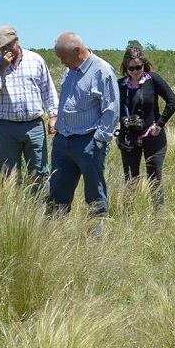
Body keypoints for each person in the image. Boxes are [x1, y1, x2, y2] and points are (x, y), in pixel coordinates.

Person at [48, 33, 120, 220]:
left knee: (94, 192)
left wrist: (98, 141)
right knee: (57, 191)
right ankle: (55, 235)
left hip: (89, 141)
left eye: (63, 57)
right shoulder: (70, 69)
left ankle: (96, 234)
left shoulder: (102, 70)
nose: (62, 62)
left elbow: (111, 109)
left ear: (77, 51)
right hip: (63, 140)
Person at [0, 25, 58, 196]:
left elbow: (47, 89)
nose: (6, 50)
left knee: (39, 171)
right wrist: (2, 68)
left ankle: (40, 210)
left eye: (8, 45)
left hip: (34, 125)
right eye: (2, 48)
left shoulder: (35, 60)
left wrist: (53, 115)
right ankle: (13, 211)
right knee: (9, 174)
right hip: (5, 127)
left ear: (17, 41)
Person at [116, 45, 175, 210]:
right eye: (131, 68)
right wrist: (123, 119)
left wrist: (159, 124)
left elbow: (172, 101)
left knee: (155, 179)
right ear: (125, 67)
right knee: (131, 179)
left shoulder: (153, 80)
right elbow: (112, 108)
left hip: (153, 138)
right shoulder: (120, 85)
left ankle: (159, 216)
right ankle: (131, 215)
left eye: (139, 66)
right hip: (129, 138)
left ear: (144, 64)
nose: (136, 71)